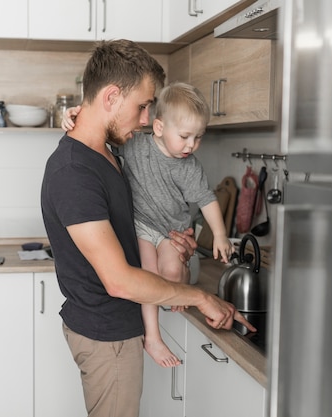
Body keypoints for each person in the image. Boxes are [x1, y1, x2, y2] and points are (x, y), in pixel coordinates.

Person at [40, 39, 254, 417]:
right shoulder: (75, 173)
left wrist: (180, 242)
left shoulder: (107, 152)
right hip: (107, 338)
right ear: (110, 97)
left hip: (119, 329)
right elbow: (119, 280)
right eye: (141, 106)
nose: (145, 119)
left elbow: (139, 222)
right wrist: (200, 297)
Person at [62, 82, 235, 368]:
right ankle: (153, 336)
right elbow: (97, 132)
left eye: (198, 137)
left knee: (170, 271)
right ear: (158, 128)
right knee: (149, 273)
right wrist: (74, 115)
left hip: (171, 232)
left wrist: (220, 234)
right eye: (184, 136)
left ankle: (178, 295)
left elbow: (206, 198)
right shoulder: (135, 145)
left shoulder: (190, 166)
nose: (191, 145)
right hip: (141, 227)